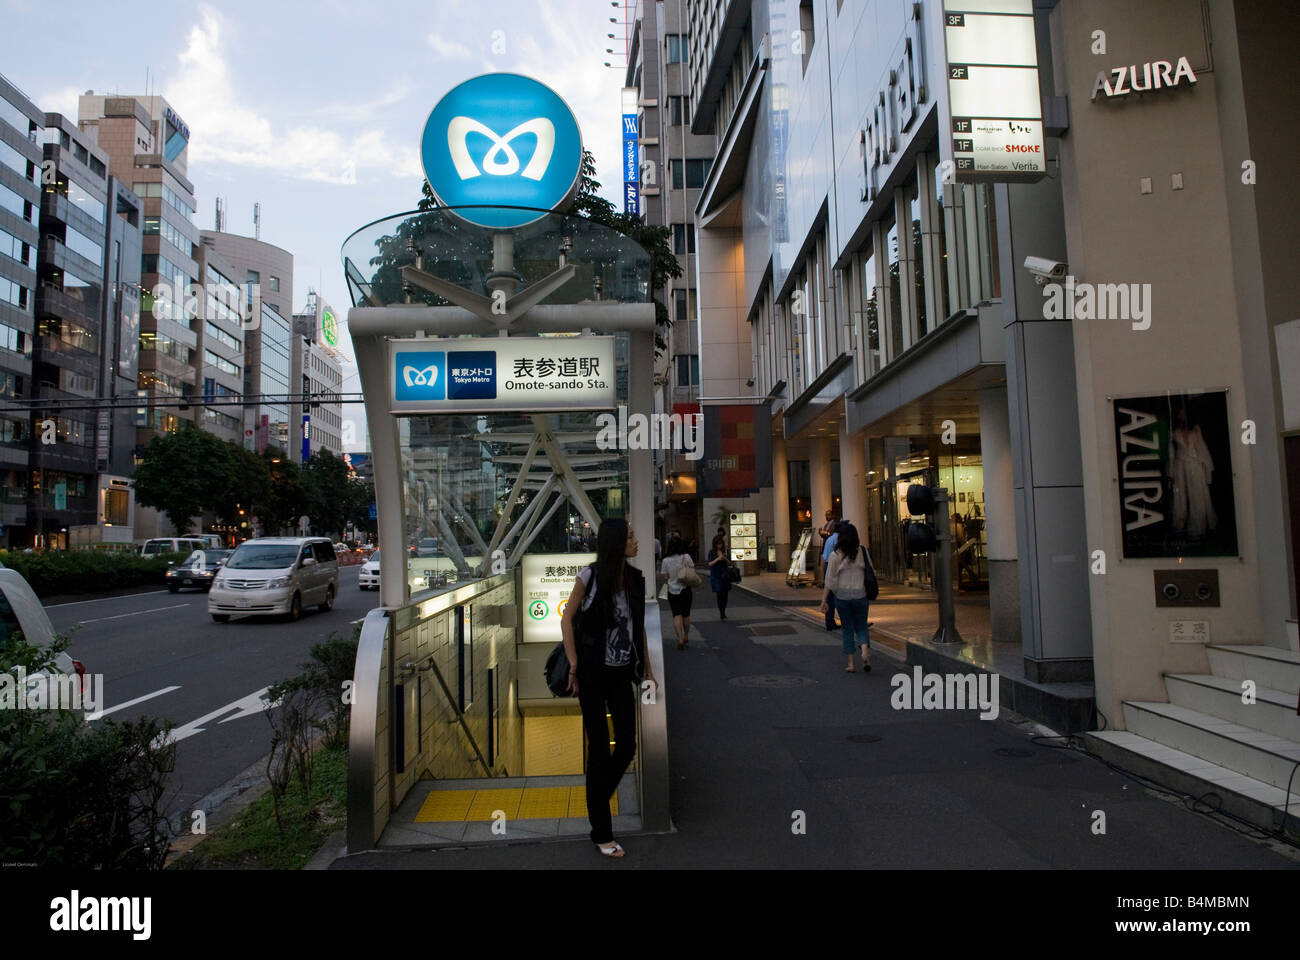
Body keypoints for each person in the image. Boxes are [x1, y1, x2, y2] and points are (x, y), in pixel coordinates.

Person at [561, 518, 657, 859]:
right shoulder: (590, 576)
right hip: (591, 674)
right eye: (631, 536)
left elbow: (638, 629)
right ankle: (602, 831)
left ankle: (598, 798)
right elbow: (567, 618)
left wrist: (647, 669)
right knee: (600, 749)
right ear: (617, 542)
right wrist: (573, 662)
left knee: (627, 745)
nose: (636, 541)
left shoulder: (634, 579)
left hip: (620, 675)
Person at [820, 522, 872, 673]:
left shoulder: (835, 555)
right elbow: (870, 571)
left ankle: (851, 663)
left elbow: (829, 581)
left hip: (842, 597)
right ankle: (864, 653)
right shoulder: (862, 552)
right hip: (860, 595)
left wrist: (824, 600)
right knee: (862, 626)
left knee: (847, 628)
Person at [660, 535, 695, 650]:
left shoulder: (665, 560)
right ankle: (686, 635)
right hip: (685, 589)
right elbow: (692, 570)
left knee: (676, 614)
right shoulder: (686, 557)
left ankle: (679, 638)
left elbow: (665, 577)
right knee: (686, 614)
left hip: (672, 590)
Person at [820, 520, 845, 631]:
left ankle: (829, 621)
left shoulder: (829, 539)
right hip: (834, 566)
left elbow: (823, 556)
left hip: (827, 565)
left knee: (830, 596)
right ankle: (844, 619)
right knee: (837, 595)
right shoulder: (838, 539)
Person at [707, 533, 731, 620]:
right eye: (718, 544)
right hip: (716, 575)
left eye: (720, 544)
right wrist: (718, 559)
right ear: (715, 544)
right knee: (719, 593)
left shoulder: (725, 551)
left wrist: (724, 558)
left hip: (725, 575)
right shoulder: (711, 552)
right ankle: (721, 612)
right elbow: (710, 564)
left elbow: (729, 563)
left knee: (725, 594)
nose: (719, 546)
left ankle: (723, 610)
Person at [816, 509, 837, 587]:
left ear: (832, 515)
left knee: (828, 566)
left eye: (828, 515)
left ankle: (827, 584)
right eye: (826, 515)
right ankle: (825, 582)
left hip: (831, 547)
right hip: (825, 546)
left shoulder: (834, 524)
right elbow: (824, 535)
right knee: (825, 565)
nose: (826, 516)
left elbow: (833, 534)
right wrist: (821, 532)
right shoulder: (826, 525)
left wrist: (826, 533)